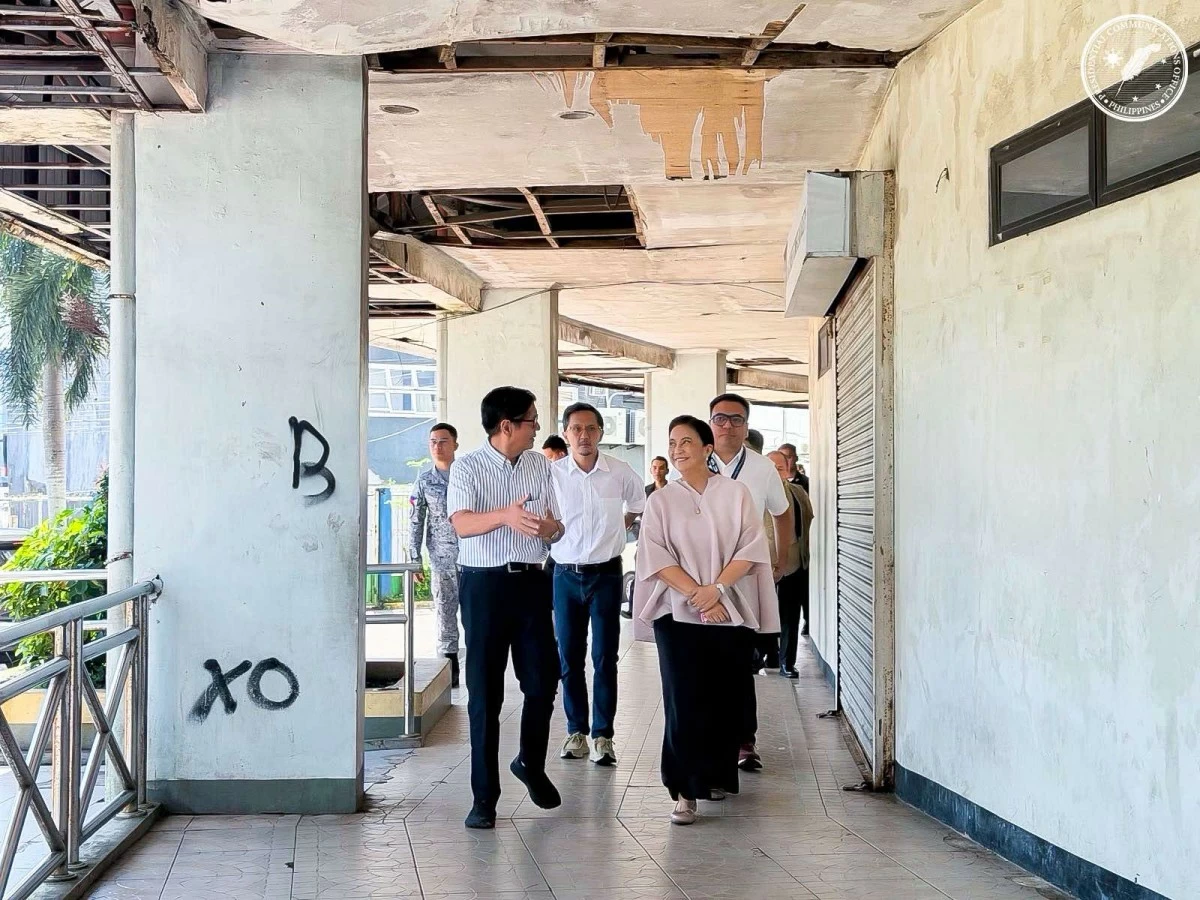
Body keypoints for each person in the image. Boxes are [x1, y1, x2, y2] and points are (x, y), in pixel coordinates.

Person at [633, 415, 779, 825]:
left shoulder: (736, 494)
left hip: (727, 611)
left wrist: (716, 590)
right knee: (682, 702)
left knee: (722, 701)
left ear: (707, 448)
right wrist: (698, 595)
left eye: (687, 441)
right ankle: (684, 791)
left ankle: (712, 776)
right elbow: (655, 557)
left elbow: (751, 548)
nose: (678, 449)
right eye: (672, 442)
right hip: (676, 616)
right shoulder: (660, 500)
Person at [447, 386, 565, 829]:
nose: (537, 428)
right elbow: (460, 523)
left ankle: (529, 763)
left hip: (533, 582)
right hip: (484, 587)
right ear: (506, 426)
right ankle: (484, 798)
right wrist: (505, 516)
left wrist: (552, 528)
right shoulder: (469, 467)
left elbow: (554, 525)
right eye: (532, 421)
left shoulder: (538, 464)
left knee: (543, 681)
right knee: (485, 695)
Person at [551, 402, 645, 766]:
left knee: (605, 657)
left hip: (607, 574)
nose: (584, 435)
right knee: (569, 657)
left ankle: (603, 735)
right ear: (566, 434)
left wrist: (619, 528)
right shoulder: (553, 475)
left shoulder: (619, 472)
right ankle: (576, 731)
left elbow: (638, 505)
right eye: (576, 429)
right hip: (564, 574)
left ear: (602, 433)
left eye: (591, 428)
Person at [708, 393, 792, 772]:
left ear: (747, 425)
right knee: (703, 662)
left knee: (742, 661)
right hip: (702, 578)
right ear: (710, 422)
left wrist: (780, 560)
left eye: (736, 419)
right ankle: (709, 738)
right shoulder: (692, 462)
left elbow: (782, 512)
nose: (728, 426)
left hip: (746, 576)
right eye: (720, 418)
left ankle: (744, 741)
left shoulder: (761, 468)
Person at [408, 423, 462, 687]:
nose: (437, 446)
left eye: (442, 441)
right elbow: (416, 520)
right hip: (442, 558)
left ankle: (478, 667)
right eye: (433, 442)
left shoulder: (467, 476)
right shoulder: (425, 481)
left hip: (474, 557)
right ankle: (450, 669)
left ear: (455, 444)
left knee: (477, 616)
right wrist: (414, 558)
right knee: (444, 612)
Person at [767, 451, 815, 676]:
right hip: (765, 564)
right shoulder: (756, 494)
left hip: (795, 564)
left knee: (790, 615)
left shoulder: (798, 492)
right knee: (763, 613)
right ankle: (768, 656)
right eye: (772, 468)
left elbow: (808, 519)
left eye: (780, 467)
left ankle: (788, 662)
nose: (776, 472)